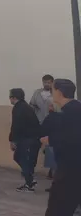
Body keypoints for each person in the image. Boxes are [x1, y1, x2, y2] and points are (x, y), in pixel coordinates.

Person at [44, 78, 81, 215]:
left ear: (59, 92)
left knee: (58, 209)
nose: (52, 93)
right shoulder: (74, 109)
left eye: (53, 90)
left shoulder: (70, 112)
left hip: (70, 170)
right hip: (72, 168)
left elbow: (73, 139)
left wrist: (50, 140)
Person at [9, 88, 41, 192]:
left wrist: (12, 140)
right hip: (33, 138)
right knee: (25, 159)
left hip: (27, 138)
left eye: (10, 97)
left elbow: (16, 125)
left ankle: (30, 182)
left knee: (20, 158)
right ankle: (30, 180)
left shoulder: (18, 108)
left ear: (14, 97)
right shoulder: (26, 107)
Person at [31, 75, 56, 178]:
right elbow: (32, 106)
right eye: (45, 82)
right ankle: (30, 168)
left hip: (51, 124)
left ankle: (52, 170)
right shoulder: (37, 93)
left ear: (52, 83)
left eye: (49, 82)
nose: (46, 84)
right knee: (35, 146)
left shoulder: (56, 94)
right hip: (38, 123)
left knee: (50, 147)